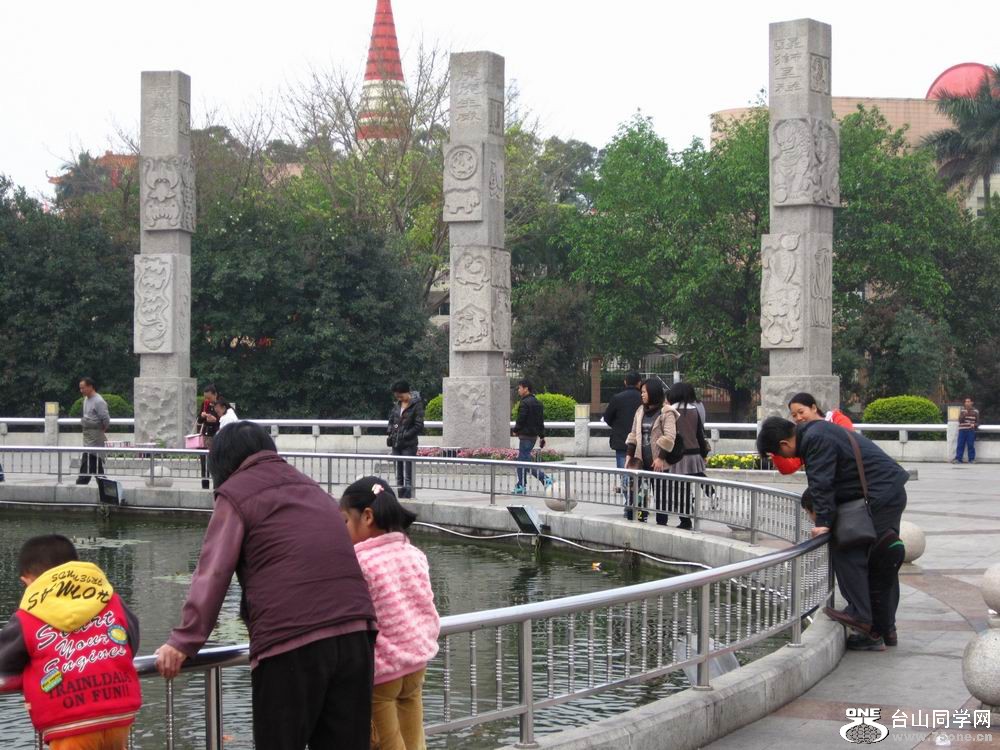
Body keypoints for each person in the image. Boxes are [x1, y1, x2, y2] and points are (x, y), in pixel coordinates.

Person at [154, 421, 377, 750]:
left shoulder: (236, 492)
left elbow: (213, 572)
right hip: (357, 633)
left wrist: (184, 640)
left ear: (222, 463)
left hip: (291, 641)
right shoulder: (312, 488)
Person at [757, 416, 908, 648]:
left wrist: (824, 523)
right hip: (887, 492)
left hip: (882, 496)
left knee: (849, 549)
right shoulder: (816, 431)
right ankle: (883, 629)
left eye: (779, 454)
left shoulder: (815, 440)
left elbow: (822, 482)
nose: (784, 458)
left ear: (783, 444)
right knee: (882, 559)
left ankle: (863, 618)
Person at [0, 534, 142, 748]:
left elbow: (5, 661)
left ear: (27, 581)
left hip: (70, 722)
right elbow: (131, 640)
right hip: (119, 713)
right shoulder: (112, 600)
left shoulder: (28, 616)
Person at [340, 477, 440, 750]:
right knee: (414, 742)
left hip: (382, 674)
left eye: (345, 521)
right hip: (416, 666)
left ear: (367, 517)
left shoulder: (359, 562)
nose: (342, 530)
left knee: (387, 744)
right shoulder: (414, 554)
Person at [800, 489, 905, 650]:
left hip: (885, 552)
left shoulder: (843, 526)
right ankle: (889, 633)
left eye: (809, 513)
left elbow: (852, 575)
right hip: (894, 545)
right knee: (885, 591)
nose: (811, 519)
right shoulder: (857, 515)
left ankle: (873, 636)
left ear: (817, 509)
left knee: (875, 594)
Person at [624, 379, 680, 525]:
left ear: (653, 393)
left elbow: (670, 437)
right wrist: (629, 456)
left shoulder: (666, 412)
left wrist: (660, 458)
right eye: (641, 392)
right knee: (638, 495)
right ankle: (639, 520)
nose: (642, 395)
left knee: (661, 496)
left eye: (644, 392)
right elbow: (633, 434)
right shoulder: (640, 411)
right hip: (640, 462)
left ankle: (661, 524)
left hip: (658, 464)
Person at [770, 392, 853, 475]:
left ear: (813, 408)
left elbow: (846, 447)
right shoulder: (803, 437)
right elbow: (789, 467)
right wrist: (775, 448)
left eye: (801, 412)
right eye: (794, 415)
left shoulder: (838, 420)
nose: (798, 418)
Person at [666, 383, 711, 530]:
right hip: (694, 453)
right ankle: (708, 494)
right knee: (693, 481)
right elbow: (699, 434)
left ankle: (685, 520)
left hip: (678, 455)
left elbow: (668, 434)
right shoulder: (694, 410)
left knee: (680, 490)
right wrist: (703, 453)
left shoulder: (671, 411)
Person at [603, 371, 643, 514]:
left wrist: (618, 425)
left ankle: (629, 504)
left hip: (622, 443)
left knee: (625, 473)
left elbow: (607, 418)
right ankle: (639, 504)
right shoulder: (644, 398)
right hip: (641, 443)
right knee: (641, 475)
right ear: (639, 383)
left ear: (625, 382)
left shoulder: (617, 398)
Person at [512, 380, 553, 496]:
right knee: (523, 460)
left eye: (520, 388)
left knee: (523, 461)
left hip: (525, 436)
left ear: (526, 389)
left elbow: (521, 419)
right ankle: (521, 484)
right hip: (533, 436)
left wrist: (515, 430)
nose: (518, 390)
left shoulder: (524, 403)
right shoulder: (537, 403)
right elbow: (540, 421)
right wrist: (542, 436)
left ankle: (543, 479)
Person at [387, 381, 425, 499]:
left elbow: (419, 425)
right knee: (398, 475)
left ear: (406, 392)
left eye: (400, 395)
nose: (399, 398)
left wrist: (405, 435)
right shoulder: (397, 404)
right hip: (396, 443)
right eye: (397, 396)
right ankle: (400, 498)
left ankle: (408, 499)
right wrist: (390, 431)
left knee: (408, 475)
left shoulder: (416, 404)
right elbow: (391, 420)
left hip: (409, 444)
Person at [76, 377, 110, 485]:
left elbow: (106, 419)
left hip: (95, 435)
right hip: (88, 434)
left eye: (83, 388)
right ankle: (104, 485)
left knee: (89, 458)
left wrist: (101, 430)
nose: (81, 390)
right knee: (94, 462)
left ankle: (81, 482)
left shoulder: (99, 401)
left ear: (90, 387)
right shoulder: (86, 399)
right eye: (80, 388)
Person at [196, 384, 220, 489]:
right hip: (205, 436)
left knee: (216, 462)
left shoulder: (221, 404)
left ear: (215, 395)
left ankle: (216, 487)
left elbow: (225, 420)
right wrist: (202, 416)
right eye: (206, 398)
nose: (207, 400)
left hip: (216, 436)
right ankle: (205, 487)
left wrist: (215, 420)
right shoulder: (205, 404)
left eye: (209, 398)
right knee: (204, 462)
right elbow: (199, 420)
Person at [954, 397, 980, 464]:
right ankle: (958, 459)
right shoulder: (962, 411)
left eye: (968, 401)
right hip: (962, 430)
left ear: (971, 403)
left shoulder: (976, 411)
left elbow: (978, 422)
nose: (967, 403)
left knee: (970, 445)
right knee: (960, 445)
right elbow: (960, 421)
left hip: (970, 430)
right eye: (966, 402)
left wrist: (974, 425)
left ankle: (971, 459)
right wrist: (964, 415)